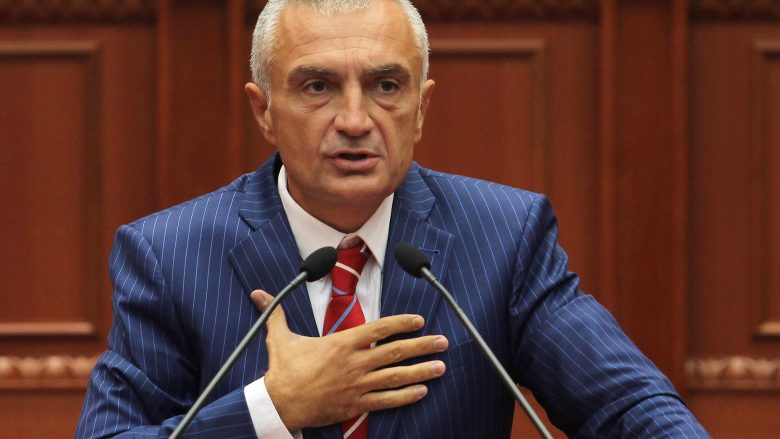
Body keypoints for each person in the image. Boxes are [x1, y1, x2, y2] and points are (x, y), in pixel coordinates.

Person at [75, 0, 711, 437]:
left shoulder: (504, 236)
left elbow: (628, 406)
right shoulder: (170, 254)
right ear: (263, 110)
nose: (355, 120)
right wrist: (273, 408)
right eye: (318, 86)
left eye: (385, 86)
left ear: (421, 107)